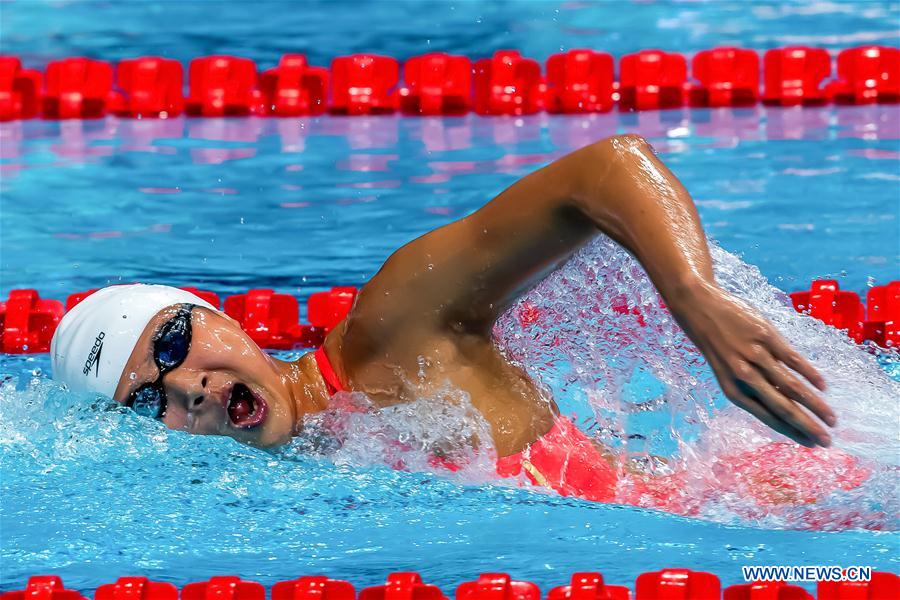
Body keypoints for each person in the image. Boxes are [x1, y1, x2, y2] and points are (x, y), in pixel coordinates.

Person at [50, 135, 838, 503]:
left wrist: (696, 301)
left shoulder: (392, 328)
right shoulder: (310, 464)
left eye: (176, 342)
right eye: (148, 399)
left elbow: (608, 168)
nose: (187, 386)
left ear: (217, 316)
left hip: (807, 508)